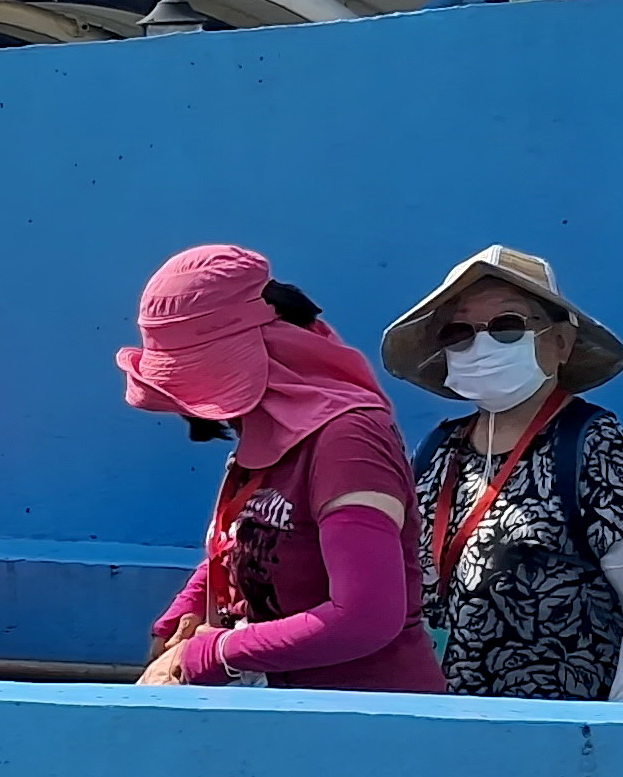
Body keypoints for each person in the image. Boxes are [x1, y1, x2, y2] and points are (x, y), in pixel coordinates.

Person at [120, 245, 446, 693]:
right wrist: (189, 607)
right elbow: (254, 543)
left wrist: (213, 654)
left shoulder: (348, 439)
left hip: (362, 717)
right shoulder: (265, 433)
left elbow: (367, 616)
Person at [377, 246, 623, 701]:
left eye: (507, 326)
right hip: (440, 723)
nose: (481, 345)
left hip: (559, 730)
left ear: (560, 342)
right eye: (459, 332)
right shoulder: (437, 451)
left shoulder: (598, 447)